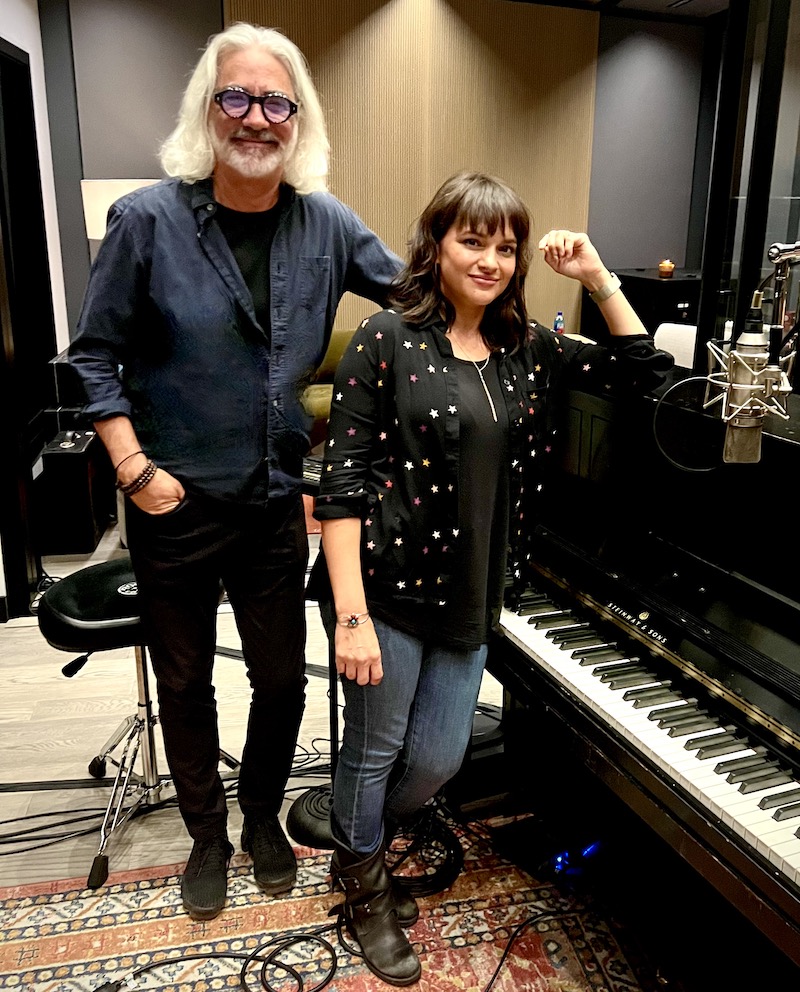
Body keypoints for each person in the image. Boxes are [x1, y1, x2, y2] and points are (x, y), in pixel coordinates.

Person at [68, 22, 402, 922]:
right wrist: (135, 470)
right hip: (169, 499)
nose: (257, 118)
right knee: (181, 682)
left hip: (271, 502)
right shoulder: (145, 219)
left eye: (275, 102)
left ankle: (260, 818)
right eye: (237, 98)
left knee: (283, 680)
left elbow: (415, 298)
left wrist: (531, 277)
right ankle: (207, 836)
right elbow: (93, 358)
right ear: (208, 110)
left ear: (298, 120)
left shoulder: (327, 222)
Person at [310, 171, 673, 986]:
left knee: (438, 759)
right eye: (472, 241)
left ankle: (354, 836)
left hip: (476, 592)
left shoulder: (525, 350)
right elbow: (339, 486)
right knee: (374, 751)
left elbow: (638, 370)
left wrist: (597, 276)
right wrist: (351, 617)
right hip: (392, 589)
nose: (491, 260)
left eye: (506, 247)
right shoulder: (386, 337)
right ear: (435, 243)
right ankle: (364, 886)